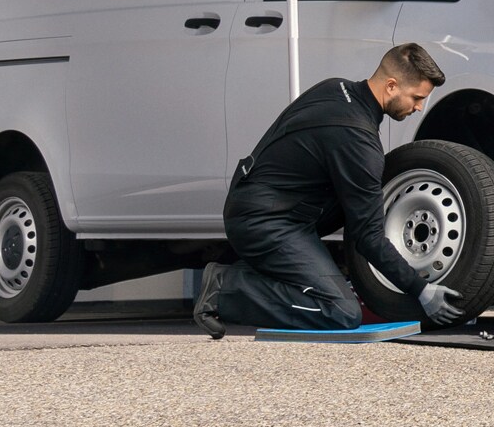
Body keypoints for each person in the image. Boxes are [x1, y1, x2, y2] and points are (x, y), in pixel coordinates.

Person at [193, 42, 468, 336]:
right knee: (340, 312)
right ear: (391, 85)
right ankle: (225, 288)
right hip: (265, 222)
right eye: (416, 97)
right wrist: (420, 289)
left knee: (371, 191)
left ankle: (307, 276)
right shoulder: (357, 140)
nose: (418, 107)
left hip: (263, 201)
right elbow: (368, 237)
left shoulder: (335, 88)